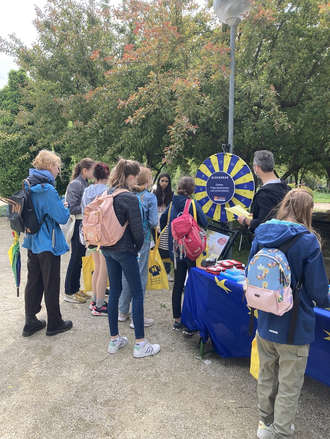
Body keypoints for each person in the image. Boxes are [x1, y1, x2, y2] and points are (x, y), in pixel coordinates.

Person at [247, 189, 330, 439]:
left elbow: (251, 274)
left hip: (265, 319)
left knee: (267, 376)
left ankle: (265, 424)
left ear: (285, 205)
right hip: (294, 326)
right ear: (308, 210)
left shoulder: (262, 233)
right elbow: (319, 292)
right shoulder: (308, 241)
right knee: (289, 384)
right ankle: (282, 431)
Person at [102, 159, 160, 358]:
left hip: (108, 248)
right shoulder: (129, 198)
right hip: (126, 251)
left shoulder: (108, 193)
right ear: (132, 176)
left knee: (116, 291)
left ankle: (114, 340)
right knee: (137, 293)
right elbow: (138, 232)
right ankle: (140, 344)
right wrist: (137, 249)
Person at [22, 149, 73, 337]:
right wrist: (64, 206)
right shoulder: (47, 189)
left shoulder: (29, 183)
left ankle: (30, 321)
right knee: (51, 282)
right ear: (50, 166)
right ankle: (54, 323)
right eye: (57, 167)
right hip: (48, 242)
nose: (58, 171)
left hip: (32, 240)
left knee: (33, 281)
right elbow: (61, 216)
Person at [160, 176, 208, 332]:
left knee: (178, 283)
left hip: (175, 249)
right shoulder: (193, 204)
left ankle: (177, 319)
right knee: (191, 283)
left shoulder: (173, 203)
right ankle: (190, 319)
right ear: (192, 189)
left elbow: (162, 219)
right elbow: (204, 222)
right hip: (190, 250)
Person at [118, 166, 158, 326]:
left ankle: (122, 311)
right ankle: (137, 317)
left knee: (126, 275)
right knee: (140, 277)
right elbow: (154, 222)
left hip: (126, 240)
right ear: (148, 181)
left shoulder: (127, 194)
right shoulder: (150, 198)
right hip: (143, 240)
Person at [64, 157, 95, 304]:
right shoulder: (76, 184)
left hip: (83, 223)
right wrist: (90, 207)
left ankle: (75, 289)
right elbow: (71, 207)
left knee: (80, 257)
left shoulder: (84, 183)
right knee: (76, 257)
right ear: (85, 170)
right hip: (77, 223)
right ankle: (69, 292)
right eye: (92, 170)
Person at [81, 162, 110, 316]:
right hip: (103, 235)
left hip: (90, 234)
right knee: (103, 270)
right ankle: (99, 305)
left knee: (97, 268)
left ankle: (94, 300)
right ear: (107, 175)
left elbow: (83, 210)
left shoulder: (87, 191)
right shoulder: (107, 191)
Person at [238, 150, 290, 233]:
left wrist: (246, 221)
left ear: (257, 168)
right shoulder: (288, 189)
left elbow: (264, 225)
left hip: (269, 242)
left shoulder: (264, 194)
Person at [154, 173, 174, 275]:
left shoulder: (172, 194)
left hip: (166, 223)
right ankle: (156, 270)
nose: (164, 183)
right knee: (156, 245)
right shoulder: (154, 193)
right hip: (155, 222)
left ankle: (166, 271)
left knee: (165, 246)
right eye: (162, 181)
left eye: (166, 181)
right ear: (158, 181)